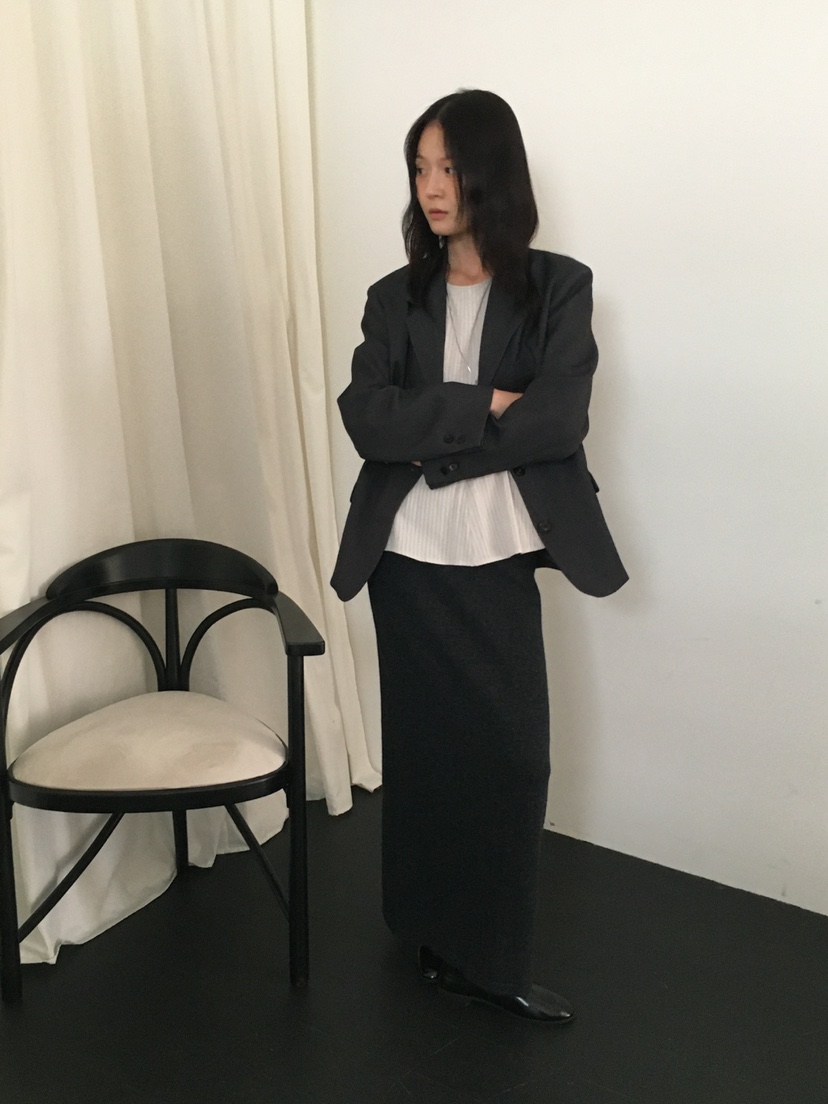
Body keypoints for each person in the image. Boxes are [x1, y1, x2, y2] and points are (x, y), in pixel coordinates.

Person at [331, 90, 627, 1023]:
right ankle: (423, 927)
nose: (432, 187)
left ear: (491, 172)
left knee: (509, 761)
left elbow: (559, 419)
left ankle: (492, 961)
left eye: (451, 167)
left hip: (496, 554)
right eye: (420, 168)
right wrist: (486, 404)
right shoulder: (393, 297)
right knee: (424, 758)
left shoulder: (559, 286)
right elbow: (365, 417)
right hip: (406, 557)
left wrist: (440, 437)